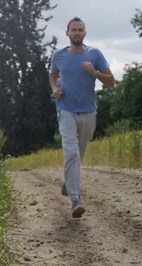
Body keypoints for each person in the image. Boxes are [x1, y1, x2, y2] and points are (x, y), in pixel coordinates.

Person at [49, 17, 115, 218]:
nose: (77, 33)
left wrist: (94, 72)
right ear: (67, 33)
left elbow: (111, 82)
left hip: (88, 112)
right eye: (73, 30)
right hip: (66, 110)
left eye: (80, 30)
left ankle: (69, 181)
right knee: (71, 153)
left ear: (84, 34)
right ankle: (75, 200)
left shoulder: (94, 54)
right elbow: (53, 75)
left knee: (79, 152)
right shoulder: (58, 55)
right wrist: (55, 89)